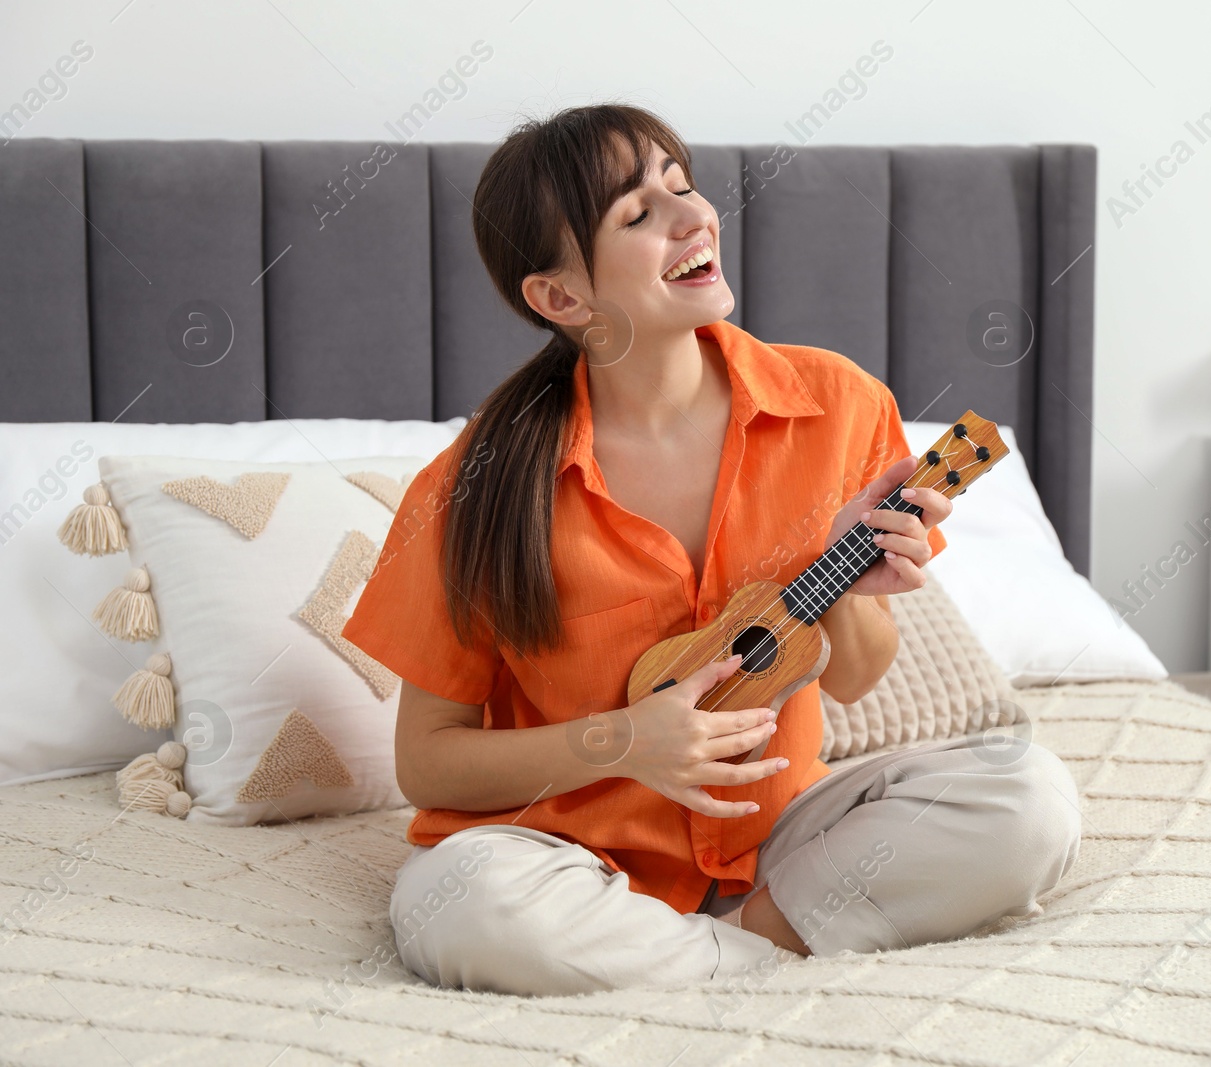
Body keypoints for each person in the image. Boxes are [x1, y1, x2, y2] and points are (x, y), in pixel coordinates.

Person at [341, 103, 1082, 999]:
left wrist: (847, 579)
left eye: (682, 185)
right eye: (638, 213)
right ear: (562, 297)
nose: (693, 218)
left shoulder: (838, 404)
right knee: (456, 904)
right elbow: (427, 762)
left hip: (778, 839)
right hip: (564, 852)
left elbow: (852, 677)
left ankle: (720, 948)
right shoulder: (473, 490)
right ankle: (772, 954)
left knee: (1029, 797)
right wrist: (622, 743)